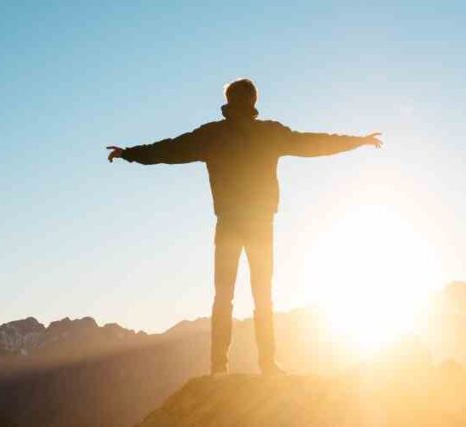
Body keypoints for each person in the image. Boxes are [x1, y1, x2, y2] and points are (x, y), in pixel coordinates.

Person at [107, 78, 381, 376]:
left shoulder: (213, 135)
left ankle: (218, 367)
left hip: (229, 222)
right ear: (253, 101)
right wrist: (358, 141)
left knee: (224, 295)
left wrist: (128, 153)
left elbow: (169, 150)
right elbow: (315, 143)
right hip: (261, 223)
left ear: (228, 100)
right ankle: (267, 364)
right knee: (263, 293)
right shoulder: (269, 133)